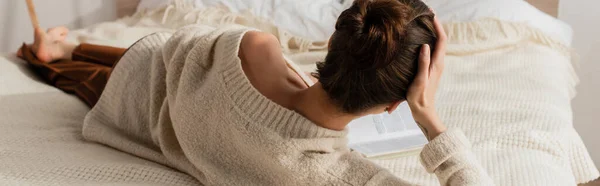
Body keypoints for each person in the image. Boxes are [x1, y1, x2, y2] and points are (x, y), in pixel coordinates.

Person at [18, 0, 493, 185]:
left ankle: (63, 49)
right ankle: (61, 53)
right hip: (128, 102)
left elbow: (177, 49)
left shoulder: (256, 48)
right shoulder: (340, 174)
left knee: (135, 57)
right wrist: (429, 118)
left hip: (139, 81)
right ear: (395, 105)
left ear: (332, 43)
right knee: (101, 69)